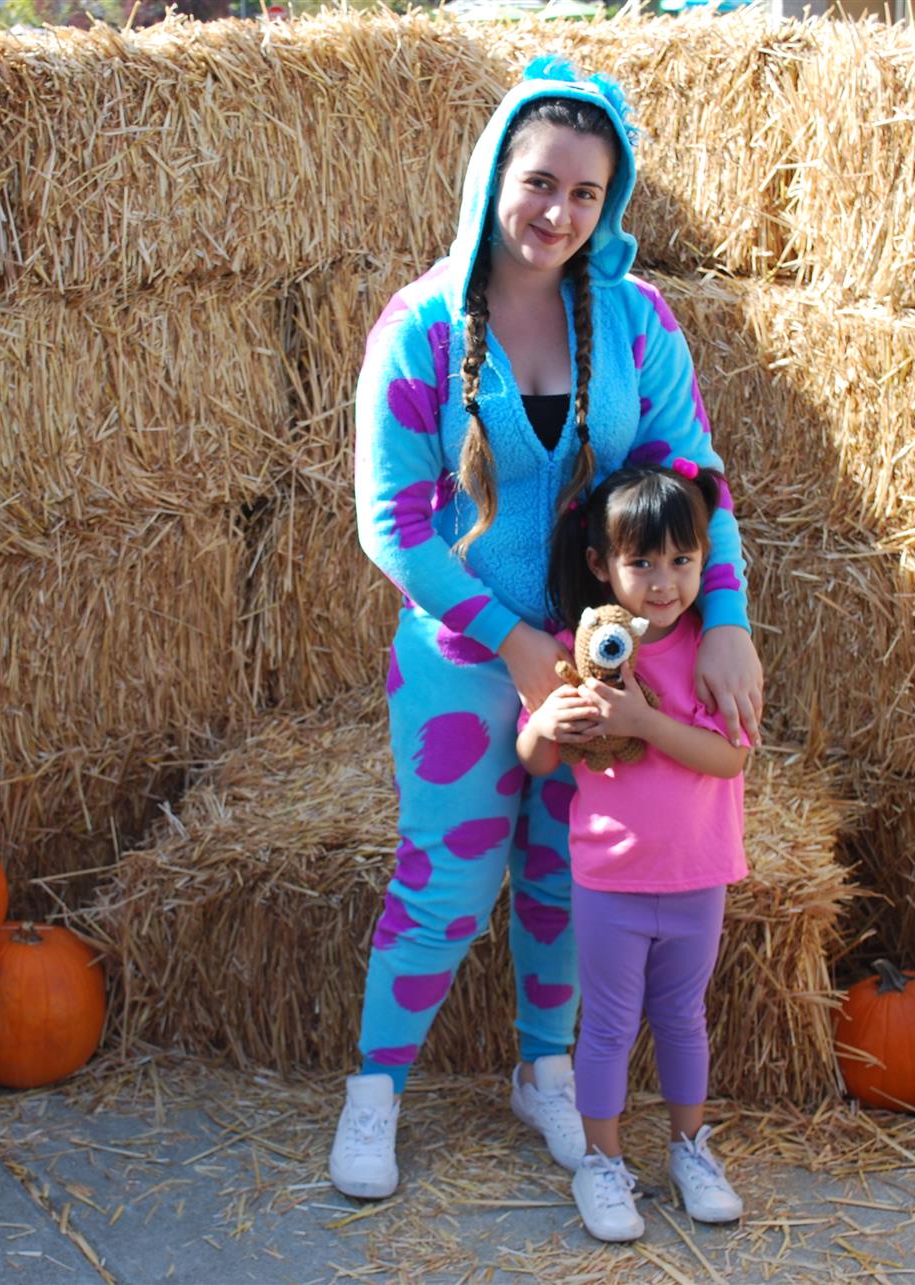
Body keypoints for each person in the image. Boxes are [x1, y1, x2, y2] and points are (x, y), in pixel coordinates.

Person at [332, 57, 763, 1200]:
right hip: (468, 660)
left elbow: (692, 473)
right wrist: (517, 650)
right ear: (492, 180)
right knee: (446, 885)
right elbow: (392, 522)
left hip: (603, 661)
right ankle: (374, 1093)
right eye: (539, 185)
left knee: (572, 878)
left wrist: (724, 615)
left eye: (584, 195)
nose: (558, 215)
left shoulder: (634, 319)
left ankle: (546, 1071)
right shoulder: (421, 327)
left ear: (607, 203)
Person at [517, 462, 749, 1242]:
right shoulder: (582, 651)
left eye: (683, 561)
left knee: (684, 1017)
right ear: (600, 565)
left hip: (697, 873)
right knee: (610, 1025)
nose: (664, 582)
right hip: (611, 876)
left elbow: (730, 759)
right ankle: (602, 1162)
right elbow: (536, 759)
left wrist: (646, 722)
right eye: (642, 562)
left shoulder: (714, 655)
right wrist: (551, 724)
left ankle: (691, 1148)